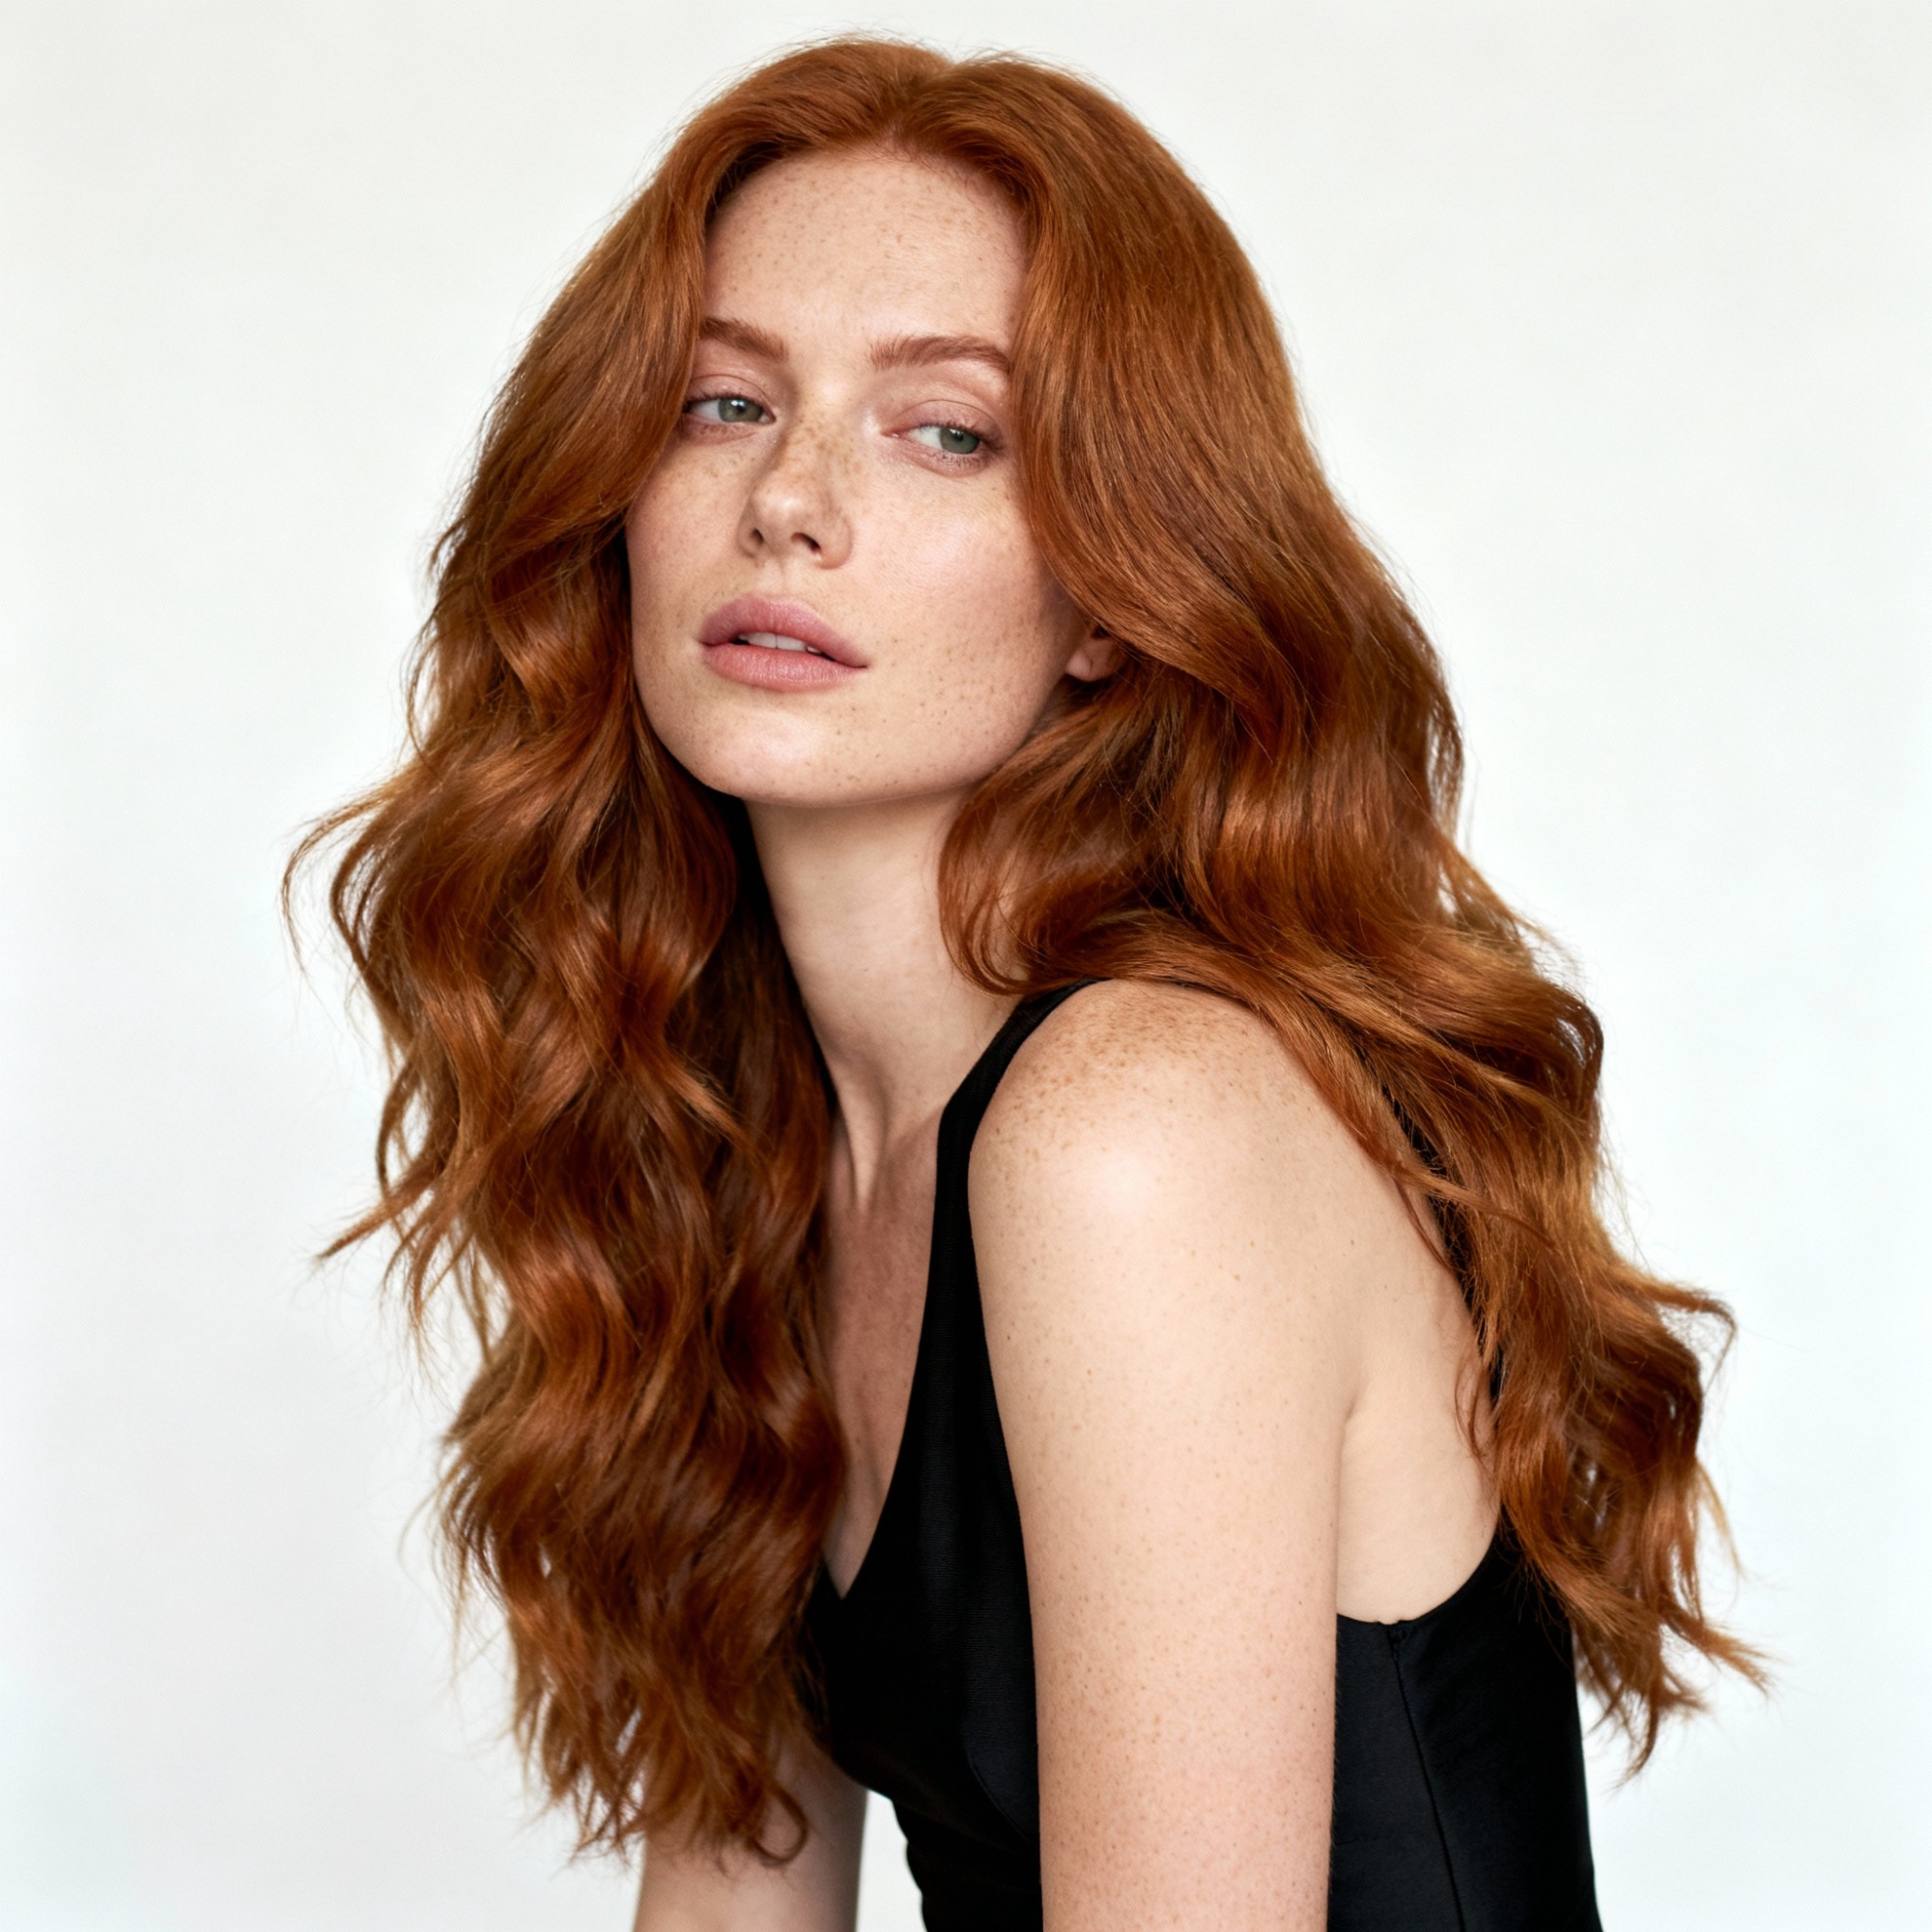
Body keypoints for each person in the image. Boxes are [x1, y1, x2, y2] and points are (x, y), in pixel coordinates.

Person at [298, 36, 1755, 1932]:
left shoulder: (1131, 1130)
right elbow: (734, 1893)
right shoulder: (752, 1143)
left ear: (1111, 592)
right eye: (722, 401)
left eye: (947, 431)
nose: (790, 501)